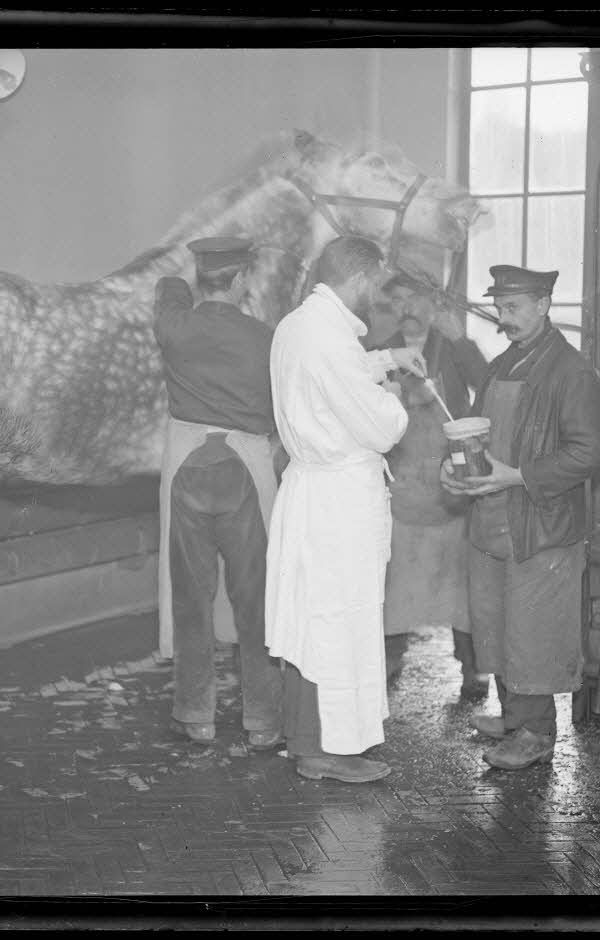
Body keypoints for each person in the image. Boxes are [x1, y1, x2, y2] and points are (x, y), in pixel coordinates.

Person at [265, 235, 428, 783]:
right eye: (376, 285)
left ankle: (312, 739)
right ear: (358, 278)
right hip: (337, 504)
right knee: (334, 622)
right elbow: (380, 426)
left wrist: (385, 359)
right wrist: (395, 397)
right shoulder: (329, 341)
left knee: (315, 621)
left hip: (316, 490)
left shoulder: (300, 326)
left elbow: (336, 379)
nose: (377, 297)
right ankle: (321, 749)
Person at [440, 264, 600, 770]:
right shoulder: (502, 363)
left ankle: (535, 733)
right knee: (498, 622)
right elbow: (474, 431)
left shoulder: (571, 371)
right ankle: (514, 715)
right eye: (500, 308)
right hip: (494, 517)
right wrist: (453, 467)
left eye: (513, 308)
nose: (503, 318)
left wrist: (515, 476)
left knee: (533, 632)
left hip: (541, 525)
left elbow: (587, 455)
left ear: (543, 305)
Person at [154, 236, 284, 749]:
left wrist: (179, 277)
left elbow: (166, 290)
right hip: (246, 471)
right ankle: (263, 720)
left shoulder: (174, 325)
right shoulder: (265, 337)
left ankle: (195, 714)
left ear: (201, 278)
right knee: (255, 598)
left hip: (187, 468)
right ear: (242, 280)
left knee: (192, 596)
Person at [369, 273, 490, 699]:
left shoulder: (451, 346)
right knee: (393, 576)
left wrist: (462, 342)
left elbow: (488, 385)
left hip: (449, 482)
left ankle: (471, 667)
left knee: (459, 578)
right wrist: (404, 399)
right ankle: (389, 657)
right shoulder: (380, 352)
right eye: (398, 300)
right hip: (401, 483)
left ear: (431, 303)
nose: (407, 308)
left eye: (414, 299)